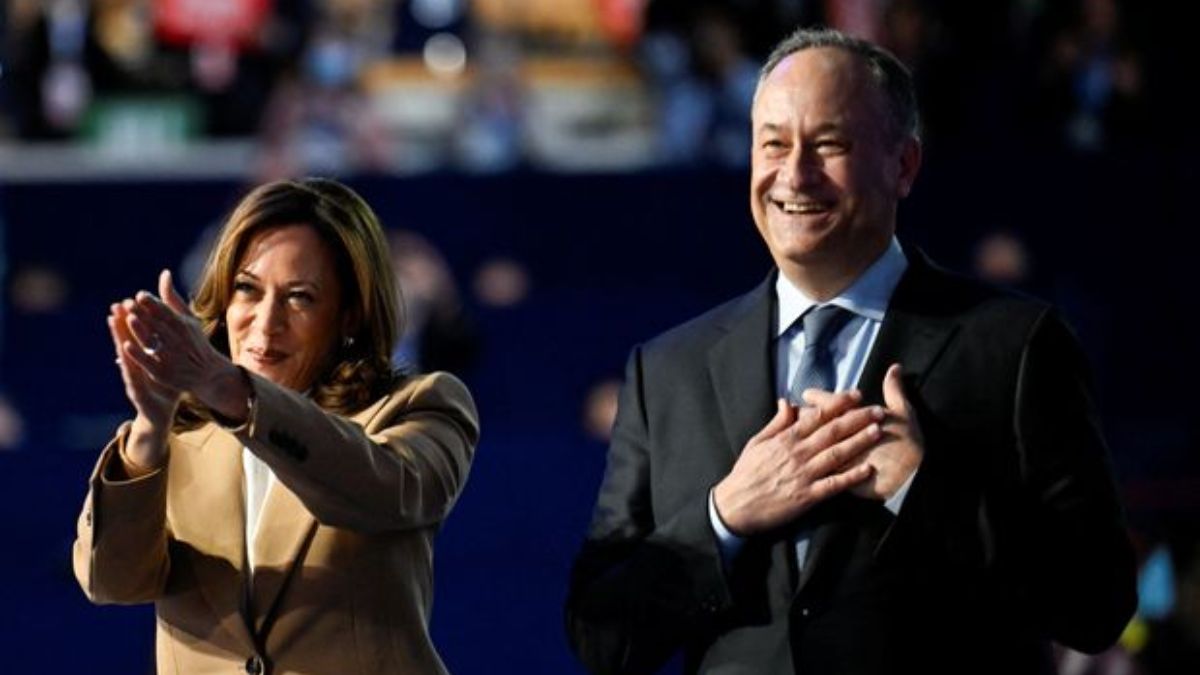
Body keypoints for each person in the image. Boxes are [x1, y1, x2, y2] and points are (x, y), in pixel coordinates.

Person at [566, 27, 1135, 674]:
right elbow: (599, 636)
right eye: (773, 143)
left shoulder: (1016, 345)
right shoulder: (667, 371)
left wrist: (923, 488)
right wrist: (724, 517)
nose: (794, 174)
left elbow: (1098, 603)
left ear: (904, 165)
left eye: (829, 144)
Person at [73, 178, 479, 674]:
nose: (266, 324)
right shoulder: (176, 437)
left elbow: (384, 493)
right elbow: (111, 583)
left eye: (300, 297)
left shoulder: (418, 406)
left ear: (350, 315)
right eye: (247, 289)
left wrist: (234, 395)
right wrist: (150, 427)